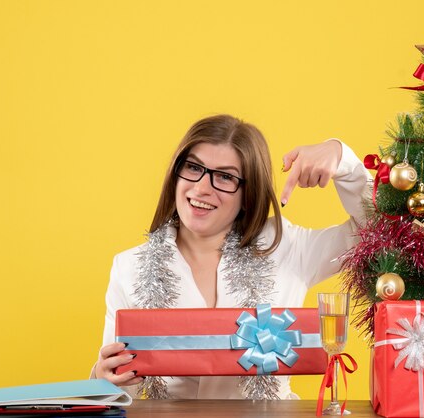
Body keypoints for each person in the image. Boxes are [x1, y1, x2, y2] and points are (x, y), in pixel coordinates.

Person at [92, 114, 372, 399]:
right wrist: (104, 379)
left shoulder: (286, 245)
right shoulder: (129, 268)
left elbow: (378, 230)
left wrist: (341, 157)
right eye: (193, 168)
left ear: (248, 194)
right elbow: (117, 392)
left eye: (225, 177)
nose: (201, 188)